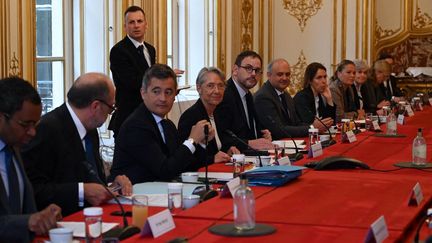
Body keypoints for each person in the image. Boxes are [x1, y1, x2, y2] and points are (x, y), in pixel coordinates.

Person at [22, 73, 132, 216]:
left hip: (94, 217)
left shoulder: (91, 129)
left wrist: (114, 185)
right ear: (96, 106)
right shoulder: (47, 129)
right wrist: (81, 191)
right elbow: (32, 190)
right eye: (111, 109)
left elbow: (93, 180)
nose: (109, 115)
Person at [109, 64, 212, 184]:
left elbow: (182, 165)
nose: (163, 98)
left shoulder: (167, 125)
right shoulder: (137, 125)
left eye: (168, 92)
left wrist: (201, 142)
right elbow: (165, 171)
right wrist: (192, 140)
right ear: (143, 93)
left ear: (175, 95)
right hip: (134, 196)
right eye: (156, 91)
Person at [0, 77, 61, 241]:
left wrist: (43, 216)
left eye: (35, 124)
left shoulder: (14, 148)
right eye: (25, 124)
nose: (33, 132)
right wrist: (27, 222)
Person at [108, 6, 156, 138]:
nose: (136, 26)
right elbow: (132, 83)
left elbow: (149, 80)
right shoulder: (118, 51)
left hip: (149, 115)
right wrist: (160, 78)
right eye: (131, 22)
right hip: (128, 116)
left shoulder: (150, 49)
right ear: (125, 26)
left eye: (140, 21)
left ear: (146, 25)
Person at [178, 67, 239, 165]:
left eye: (220, 86)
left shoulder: (219, 114)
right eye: (210, 86)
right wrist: (212, 159)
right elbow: (186, 160)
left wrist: (227, 152)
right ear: (199, 88)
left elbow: (216, 149)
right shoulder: (190, 117)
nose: (217, 91)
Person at [214, 51, 273, 151]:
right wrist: (250, 143)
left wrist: (263, 135)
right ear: (235, 70)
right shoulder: (224, 95)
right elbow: (222, 136)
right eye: (248, 68)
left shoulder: (248, 95)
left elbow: (247, 131)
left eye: (257, 70)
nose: (254, 74)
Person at [255, 58, 312, 139]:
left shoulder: (286, 95)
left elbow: (296, 123)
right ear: (269, 75)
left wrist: (313, 127)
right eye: (280, 74)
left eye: (287, 74)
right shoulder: (263, 97)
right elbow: (278, 130)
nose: (285, 78)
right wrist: (311, 128)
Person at [293, 62, 335, 130]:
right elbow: (308, 123)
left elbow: (330, 122)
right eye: (319, 78)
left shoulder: (319, 96)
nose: (324, 81)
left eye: (325, 77)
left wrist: (329, 99)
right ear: (310, 80)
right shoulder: (302, 97)